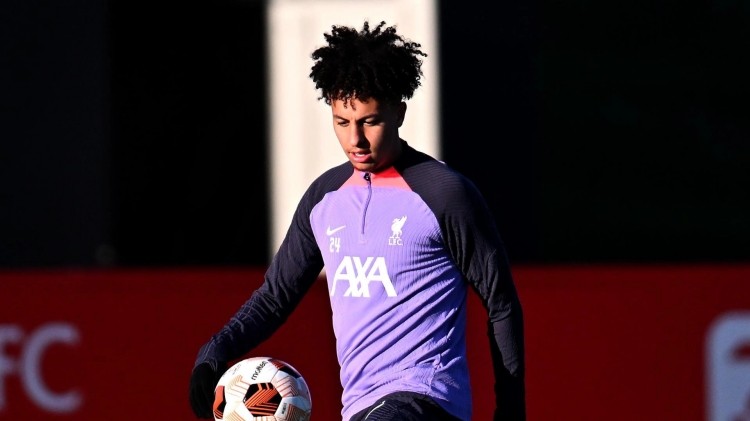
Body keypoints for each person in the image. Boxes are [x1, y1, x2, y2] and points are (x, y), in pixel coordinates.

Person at [189, 20, 525, 421]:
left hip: (426, 401)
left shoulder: (444, 194)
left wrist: (511, 410)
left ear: (399, 112)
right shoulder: (324, 198)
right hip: (362, 408)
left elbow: (501, 303)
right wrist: (216, 350)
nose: (355, 140)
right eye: (342, 122)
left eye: (369, 121)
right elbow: (275, 297)